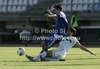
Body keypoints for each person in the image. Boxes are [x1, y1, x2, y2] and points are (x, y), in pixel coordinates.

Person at [26, 27, 96, 61]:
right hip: (59, 53)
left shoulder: (74, 39)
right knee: (43, 58)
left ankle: (33, 59)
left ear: (71, 32)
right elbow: (57, 45)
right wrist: (47, 45)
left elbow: (81, 47)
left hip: (61, 52)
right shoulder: (63, 37)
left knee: (45, 53)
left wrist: (90, 52)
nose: (67, 31)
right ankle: (58, 60)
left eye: (68, 30)